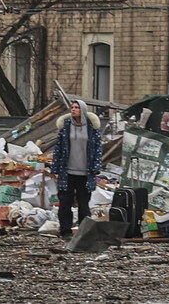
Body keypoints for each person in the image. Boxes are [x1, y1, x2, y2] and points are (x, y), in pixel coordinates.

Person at [50, 99, 102, 239]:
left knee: (83, 203)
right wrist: (55, 167)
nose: (73, 110)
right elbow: (58, 147)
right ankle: (65, 231)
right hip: (67, 171)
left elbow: (97, 147)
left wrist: (96, 166)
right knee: (65, 202)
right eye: (72, 107)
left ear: (83, 110)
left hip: (86, 172)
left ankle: (83, 231)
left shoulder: (91, 128)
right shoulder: (66, 127)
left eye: (76, 108)